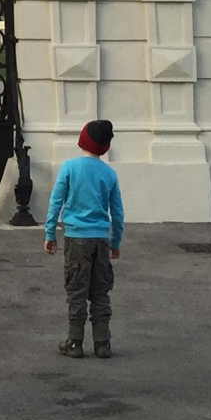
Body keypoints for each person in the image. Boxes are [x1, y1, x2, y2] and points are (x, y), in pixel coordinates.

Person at [43, 120, 124, 360]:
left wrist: (50, 234)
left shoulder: (69, 168)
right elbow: (117, 213)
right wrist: (116, 242)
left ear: (82, 139)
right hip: (100, 239)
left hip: (76, 238)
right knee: (100, 292)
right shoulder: (109, 174)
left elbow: (55, 202)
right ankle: (102, 343)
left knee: (76, 291)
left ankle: (75, 342)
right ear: (106, 147)